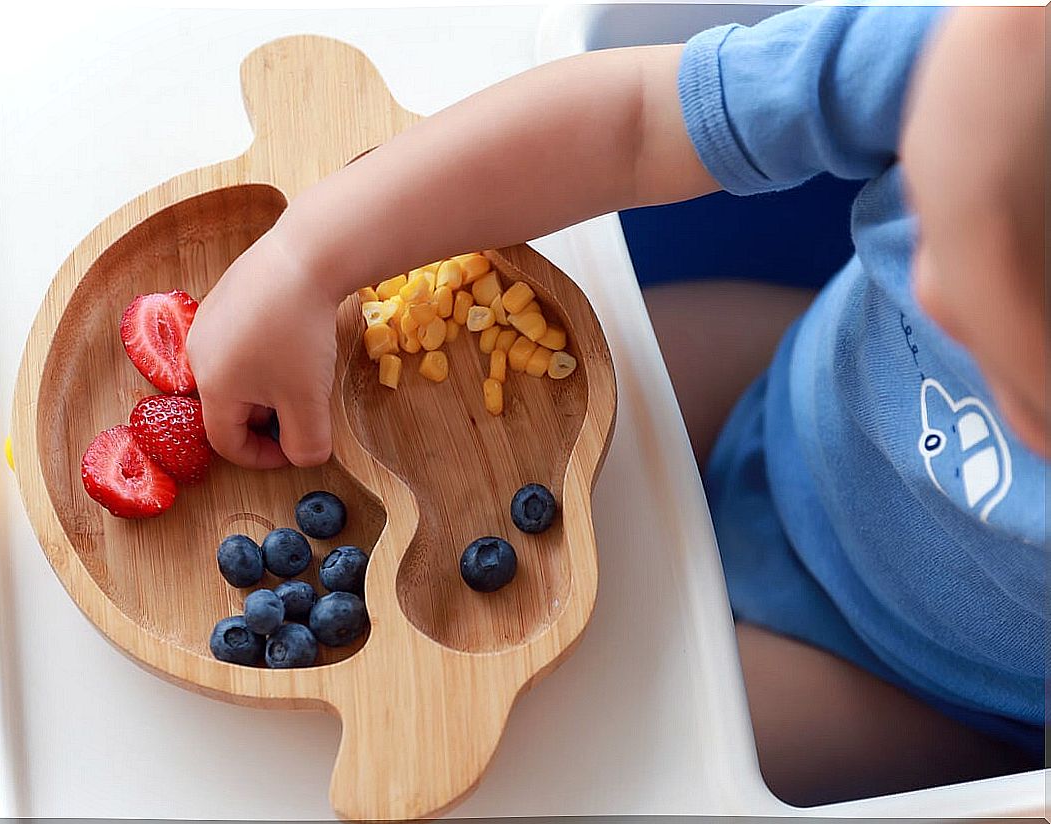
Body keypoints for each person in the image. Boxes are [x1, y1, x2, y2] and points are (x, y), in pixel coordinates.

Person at [187, 4, 1046, 804]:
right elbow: (634, 121)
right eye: (928, 215)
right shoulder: (988, 51)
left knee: (605, 758)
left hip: (904, 681)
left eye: (977, 318)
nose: (918, 282)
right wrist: (308, 255)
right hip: (780, 386)